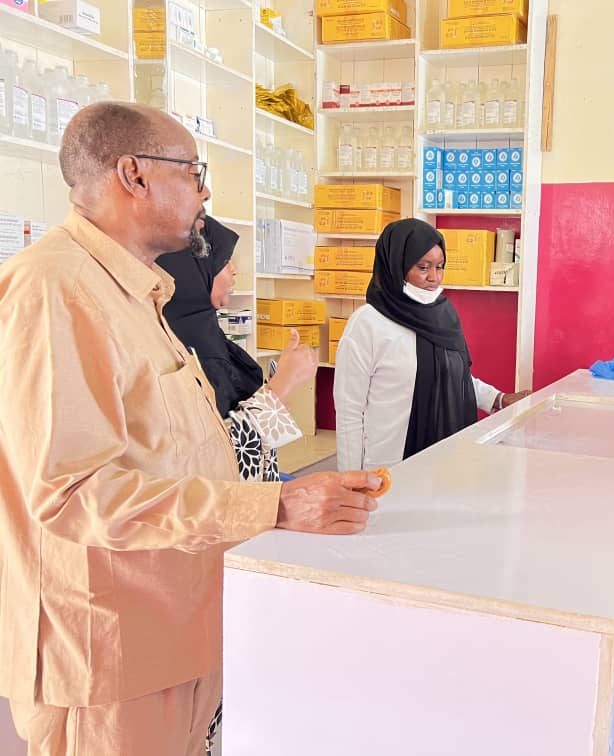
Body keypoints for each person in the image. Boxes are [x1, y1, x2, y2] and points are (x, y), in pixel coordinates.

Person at [0, 102, 382, 756]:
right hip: (112, 654)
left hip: (174, 632)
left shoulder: (133, 293)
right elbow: (70, 493)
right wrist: (278, 503)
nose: (206, 190)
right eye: (194, 171)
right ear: (134, 175)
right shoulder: (54, 289)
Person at [333, 218, 529, 471]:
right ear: (396, 265)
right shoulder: (367, 324)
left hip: (444, 460)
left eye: (440, 267)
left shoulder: (442, 315)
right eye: (423, 267)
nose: (434, 278)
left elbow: (453, 377)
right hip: (388, 467)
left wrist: (499, 399)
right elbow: (349, 411)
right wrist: (349, 482)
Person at [157, 216, 317, 482]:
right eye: (222, 262)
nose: (233, 270)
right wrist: (282, 387)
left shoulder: (208, 336)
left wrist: (279, 385)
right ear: (193, 272)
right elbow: (222, 457)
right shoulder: (188, 352)